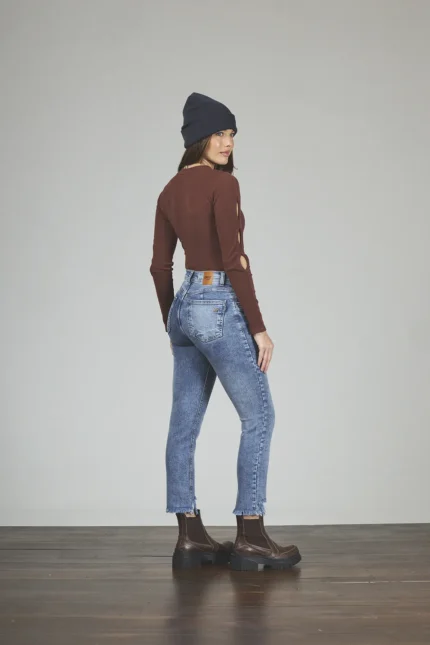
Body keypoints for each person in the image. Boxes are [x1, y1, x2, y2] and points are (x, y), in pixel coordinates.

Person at [150, 92, 301, 571]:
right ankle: (251, 534)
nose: (227, 142)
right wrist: (259, 328)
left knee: (184, 424)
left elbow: (159, 267)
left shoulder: (169, 190)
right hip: (217, 300)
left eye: (232, 133)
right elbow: (234, 262)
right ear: (198, 137)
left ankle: (189, 536)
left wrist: (174, 323)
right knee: (260, 416)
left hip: (184, 306)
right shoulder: (223, 185)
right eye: (218, 133)